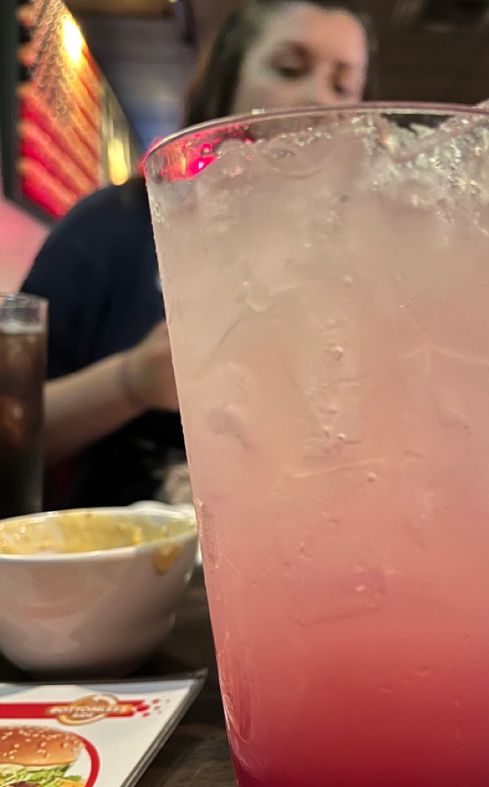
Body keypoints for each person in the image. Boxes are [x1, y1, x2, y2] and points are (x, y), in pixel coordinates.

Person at [22, 0, 373, 507]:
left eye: (344, 86)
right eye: (290, 69)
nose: (320, 98)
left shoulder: (368, 256)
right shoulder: (117, 225)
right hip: (131, 565)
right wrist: (132, 381)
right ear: (227, 82)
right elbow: (13, 427)